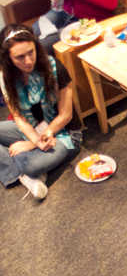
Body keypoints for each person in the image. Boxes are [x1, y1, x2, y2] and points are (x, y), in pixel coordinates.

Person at [0, 25, 79, 201]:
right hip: (31, 131)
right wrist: (35, 140)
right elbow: (19, 117)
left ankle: (22, 170)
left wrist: (33, 144)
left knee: (28, 163)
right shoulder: (5, 77)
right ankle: (26, 177)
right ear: (8, 59)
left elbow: (66, 115)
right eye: (20, 57)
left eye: (31, 52)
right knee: (26, 162)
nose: (28, 61)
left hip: (61, 133)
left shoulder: (54, 66)